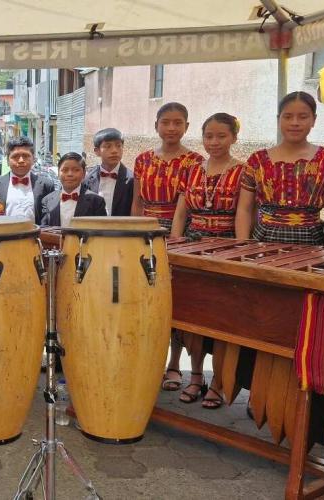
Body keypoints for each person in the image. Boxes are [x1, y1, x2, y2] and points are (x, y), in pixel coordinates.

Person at [170, 113, 244, 409]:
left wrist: (240, 251)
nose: (214, 142)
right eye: (209, 136)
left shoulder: (244, 171)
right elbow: (180, 212)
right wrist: (174, 247)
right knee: (194, 319)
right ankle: (196, 376)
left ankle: (218, 382)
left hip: (226, 247)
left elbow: (245, 213)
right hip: (192, 246)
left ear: (234, 138)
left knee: (223, 320)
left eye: (221, 136)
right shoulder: (191, 170)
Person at [131, 102, 204, 392]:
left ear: (186, 126)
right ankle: (150, 362)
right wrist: (133, 232)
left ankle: (175, 364)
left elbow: (185, 207)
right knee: (147, 302)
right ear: (156, 125)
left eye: (178, 123)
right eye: (166, 122)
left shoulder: (195, 161)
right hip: (143, 231)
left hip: (179, 232)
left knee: (178, 302)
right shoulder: (143, 159)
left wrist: (173, 240)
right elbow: (137, 201)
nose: (171, 128)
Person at [236, 91, 324, 246]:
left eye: (303, 117)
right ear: (278, 120)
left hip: (313, 242)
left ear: (314, 120)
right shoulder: (257, 161)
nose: (295, 122)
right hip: (263, 240)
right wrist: (242, 246)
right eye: (288, 116)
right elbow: (244, 209)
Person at [0, 136, 55, 224]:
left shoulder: (46, 185)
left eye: (26, 156)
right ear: (7, 160)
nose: (21, 160)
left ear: (33, 159)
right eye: (15, 156)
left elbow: (48, 219)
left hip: (35, 237)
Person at [40, 152, 107, 226]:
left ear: (84, 173)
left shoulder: (97, 201)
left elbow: (100, 231)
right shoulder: (47, 200)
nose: (70, 174)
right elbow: (44, 229)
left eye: (76, 170)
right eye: (65, 170)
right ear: (58, 173)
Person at [82, 128, 134, 216]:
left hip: (122, 228)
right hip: (93, 228)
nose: (114, 151)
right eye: (108, 146)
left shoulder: (132, 179)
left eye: (118, 146)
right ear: (97, 151)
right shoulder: (87, 178)